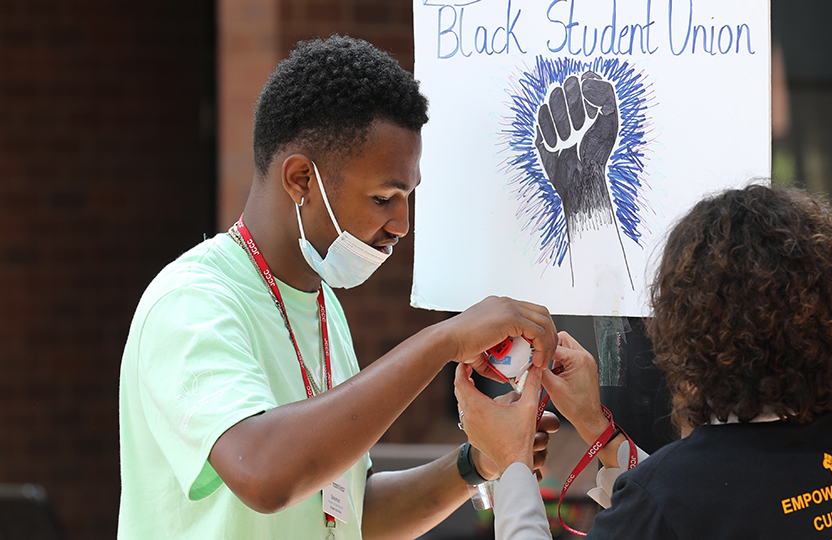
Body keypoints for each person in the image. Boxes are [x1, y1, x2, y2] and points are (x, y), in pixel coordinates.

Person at [118, 35, 560, 540]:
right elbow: (264, 476)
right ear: (302, 179)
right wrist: (444, 340)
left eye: (407, 196)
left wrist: (477, 463)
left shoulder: (322, 304)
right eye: (382, 197)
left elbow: (348, 514)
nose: (401, 223)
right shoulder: (192, 301)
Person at [455, 184, 832, 539]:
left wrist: (512, 460)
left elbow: (691, 504)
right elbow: (719, 506)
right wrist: (599, 430)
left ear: (694, 333)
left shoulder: (676, 494)